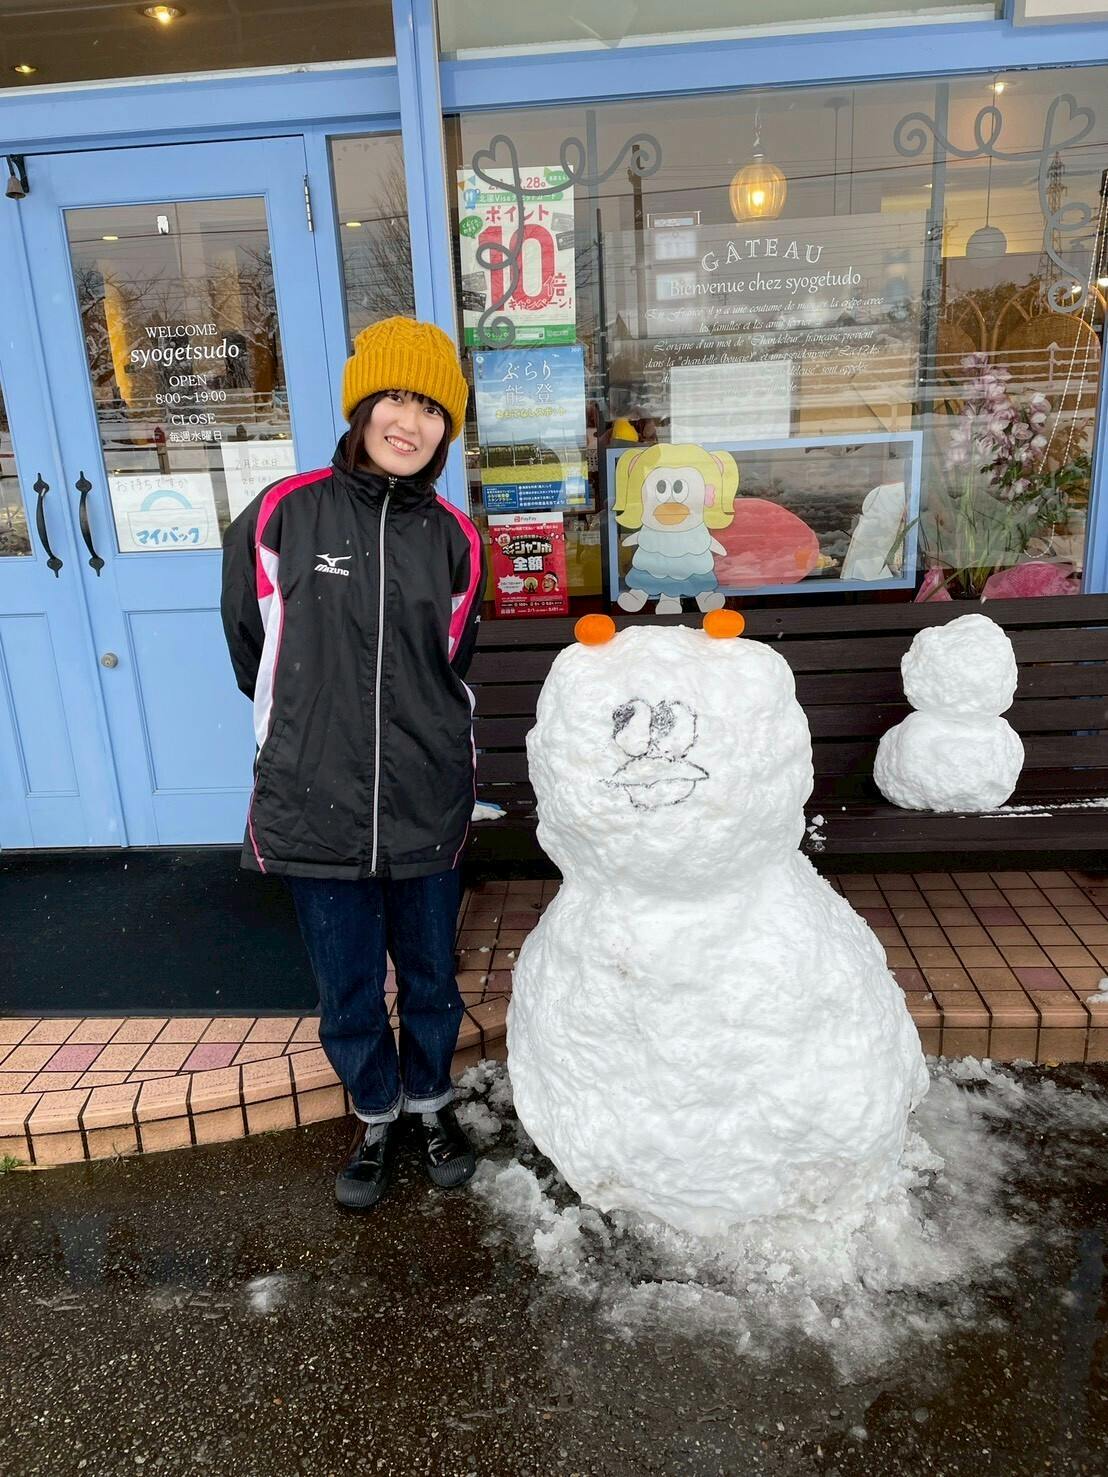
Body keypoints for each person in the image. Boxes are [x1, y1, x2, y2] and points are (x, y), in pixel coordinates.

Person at [220, 316, 484, 1212]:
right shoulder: (282, 514)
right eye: (395, 399)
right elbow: (251, 646)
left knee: (430, 975)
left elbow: (451, 658)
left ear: (449, 427)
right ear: (363, 405)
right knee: (344, 981)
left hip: (424, 794)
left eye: (431, 408)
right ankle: (376, 1111)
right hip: (314, 791)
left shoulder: (456, 535)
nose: (409, 423)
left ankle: (432, 1101)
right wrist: (304, 731)